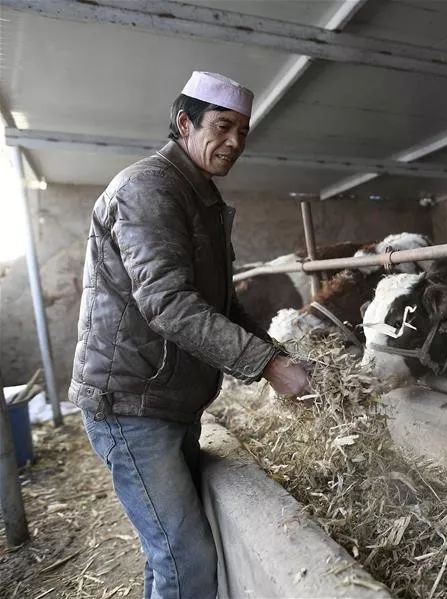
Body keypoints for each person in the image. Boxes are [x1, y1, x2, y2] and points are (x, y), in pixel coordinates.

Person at [69, 71, 310, 598]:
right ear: (184, 123)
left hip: (166, 398)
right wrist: (269, 366)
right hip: (132, 402)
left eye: (243, 133)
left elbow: (220, 304)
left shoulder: (197, 195)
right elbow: (169, 307)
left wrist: (275, 354)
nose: (234, 144)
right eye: (223, 127)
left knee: (168, 550)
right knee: (185, 557)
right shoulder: (148, 188)